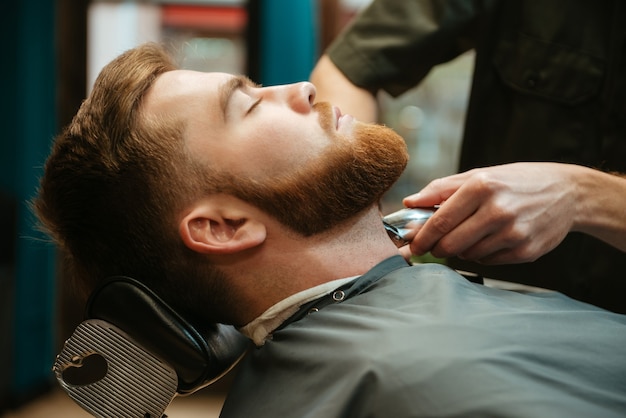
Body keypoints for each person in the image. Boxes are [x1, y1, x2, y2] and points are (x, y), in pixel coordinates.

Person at [35, 43, 626, 417]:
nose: (302, 87)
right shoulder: (418, 385)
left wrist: (583, 197)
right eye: (249, 105)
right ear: (223, 226)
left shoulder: (389, 336)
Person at [310, 0, 626, 313]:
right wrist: (352, 214)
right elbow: (348, 69)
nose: (299, 90)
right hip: (489, 314)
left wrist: (580, 196)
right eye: (256, 101)